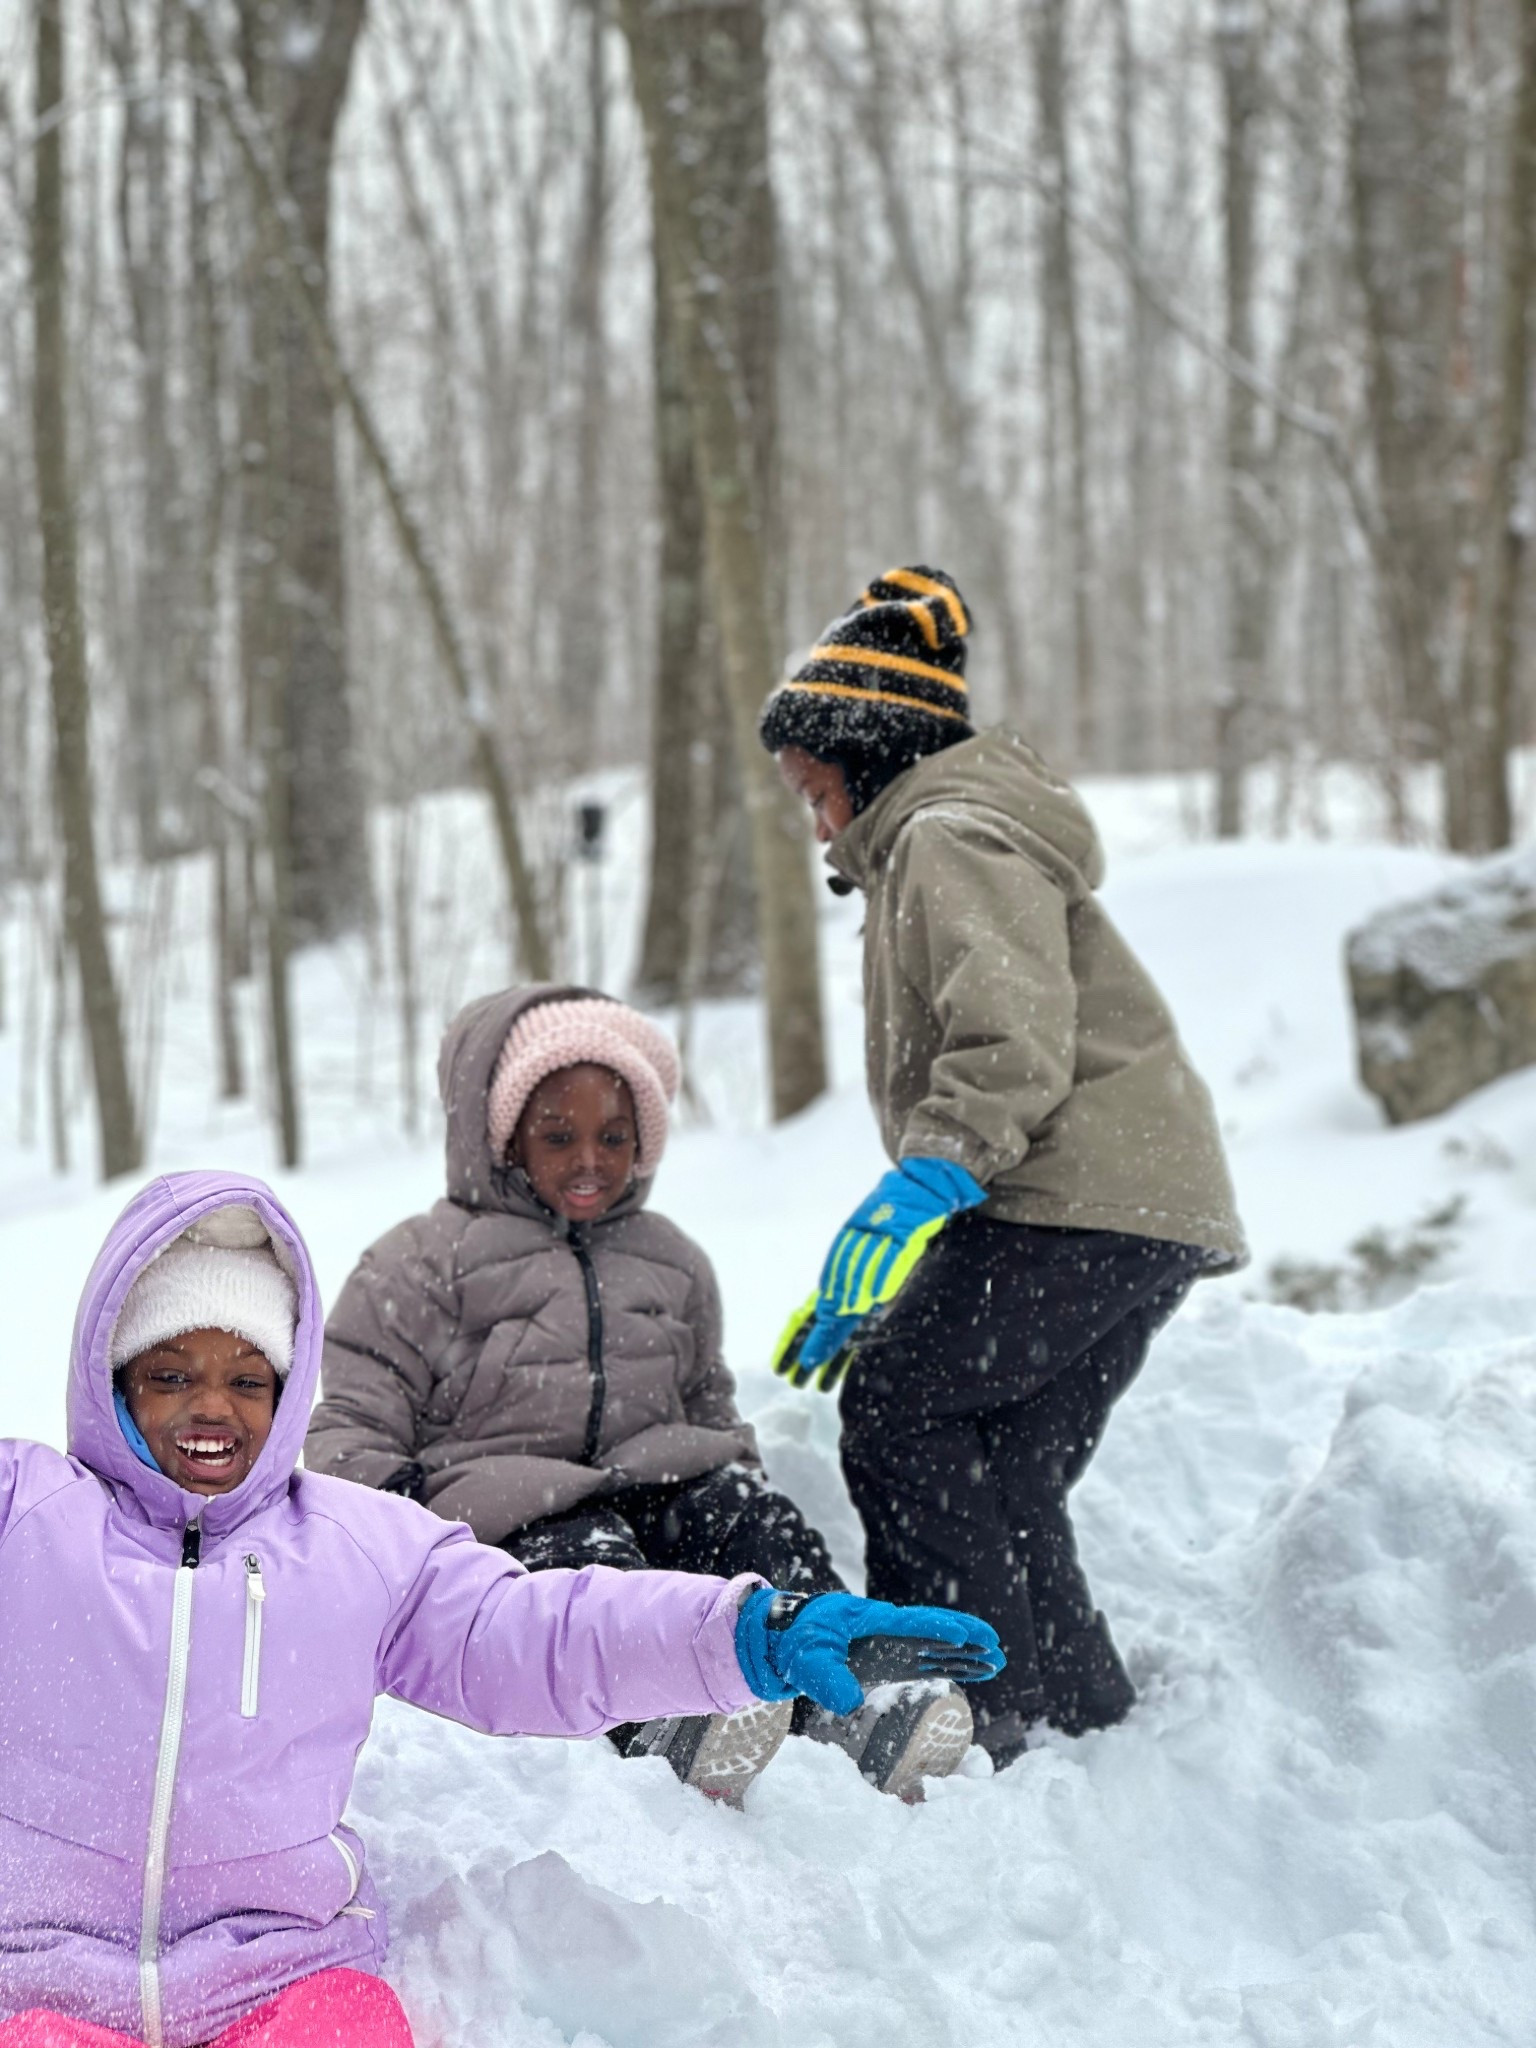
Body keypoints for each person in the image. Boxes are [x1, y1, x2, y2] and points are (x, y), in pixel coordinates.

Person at [0, 1171, 1001, 2048]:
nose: (210, 1405)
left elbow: (537, 1634)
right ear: (113, 1378)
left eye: (246, 1377)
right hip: (35, 1978)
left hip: (277, 1977)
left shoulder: (353, 1547)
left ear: (289, 1384)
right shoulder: (26, 1517)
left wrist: (748, 1632)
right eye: (170, 1373)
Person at [760, 564, 1246, 1770]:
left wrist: (928, 1179)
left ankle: (960, 1708)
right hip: (1141, 1201)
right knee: (1007, 1456)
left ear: (867, 758)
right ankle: (1074, 1714)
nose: (817, 825)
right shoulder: (951, 831)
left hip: (1069, 1195)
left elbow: (1010, 1037)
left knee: (898, 1406)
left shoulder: (946, 834)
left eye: (817, 793)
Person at [305, 987, 974, 1801]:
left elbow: (706, 1396)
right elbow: (356, 1413)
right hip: (520, 1509)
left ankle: (858, 1699)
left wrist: (737, 1470)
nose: (590, 1159)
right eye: (558, 1136)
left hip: (666, 1486)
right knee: (591, 1575)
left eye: (614, 1137)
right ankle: (664, 1719)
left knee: (755, 1528)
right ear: (501, 1137)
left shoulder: (672, 1260)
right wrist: (393, 1522)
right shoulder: (417, 1262)